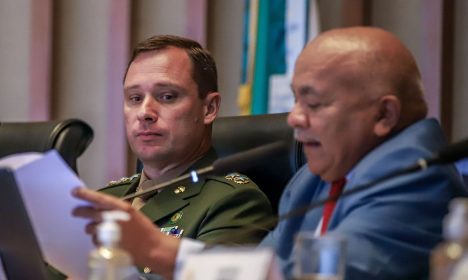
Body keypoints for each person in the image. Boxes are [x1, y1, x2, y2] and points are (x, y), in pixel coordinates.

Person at [72, 27, 466, 279]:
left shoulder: (419, 179)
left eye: (314, 104)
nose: (294, 119)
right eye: (295, 101)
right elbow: (263, 264)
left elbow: (332, 274)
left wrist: (161, 252)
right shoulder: (312, 179)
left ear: (384, 114)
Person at [53, 35, 274, 279]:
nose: (145, 112)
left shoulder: (234, 202)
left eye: (167, 96)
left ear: (209, 108)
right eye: (135, 98)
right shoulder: (105, 200)